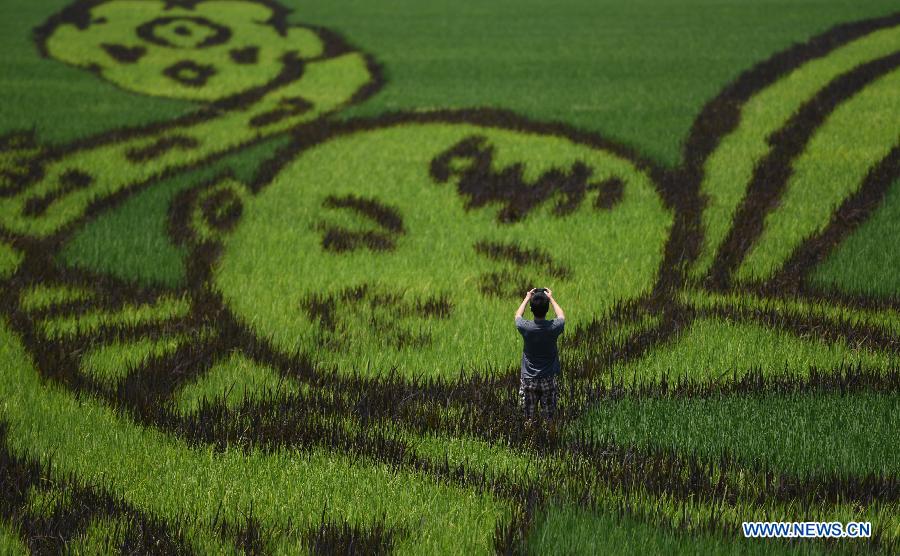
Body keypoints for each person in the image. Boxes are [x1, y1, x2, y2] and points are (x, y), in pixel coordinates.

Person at [514, 288, 565, 428]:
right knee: (549, 419)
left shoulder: (526, 328)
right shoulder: (554, 327)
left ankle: (529, 443)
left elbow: (518, 315)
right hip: (548, 379)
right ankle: (550, 444)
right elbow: (561, 315)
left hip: (528, 379)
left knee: (528, 418)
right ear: (547, 309)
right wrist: (551, 298)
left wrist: (527, 298)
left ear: (531, 309)